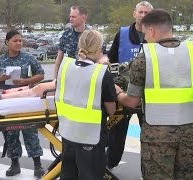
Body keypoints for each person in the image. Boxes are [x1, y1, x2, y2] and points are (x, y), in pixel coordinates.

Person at [115, 9, 193, 179]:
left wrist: (119, 93)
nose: (145, 39)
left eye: (145, 34)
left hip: (157, 139)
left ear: (152, 31)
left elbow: (132, 101)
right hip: (189, 135)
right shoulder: (190, 53)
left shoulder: (144, 59)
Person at [55, 30, 116, 180]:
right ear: (98, 50)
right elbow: (111, 110)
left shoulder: (65, 68)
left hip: (68, 132)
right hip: (91, 137)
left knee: (68, 174)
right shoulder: (101, 74)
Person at [0, 29, 45, 178]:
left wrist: (26, 81)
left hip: (25, 100)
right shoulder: (0, 60)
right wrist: (1, 78)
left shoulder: (28, 58)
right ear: (7, 42)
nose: (18, 43)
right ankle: (14, 164)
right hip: (7, 102)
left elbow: (41, 74)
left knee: (30, 132)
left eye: (20, 40)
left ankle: (37, 165)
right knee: (10, 134)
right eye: (15, 41)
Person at [106, 1, 153, 170]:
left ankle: (147, 172)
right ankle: (107, 167)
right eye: (140, 12)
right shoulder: (123, 34)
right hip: (123, 97)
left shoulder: (155, 36)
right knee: (116, 139)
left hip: (147, 99)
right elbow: (110, 60)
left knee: (149, 141)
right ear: (134, 14)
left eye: (146, 12)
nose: (143, 15)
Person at [53, 5, 88, 78]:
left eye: (74, 17)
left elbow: (99, 58)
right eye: (70, 17)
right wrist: (55, 78)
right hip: (68, 76)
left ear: (83, 17)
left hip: (86, 76)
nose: (71, 19)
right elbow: (59, 59)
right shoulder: (66, 35)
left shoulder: (91, 36)